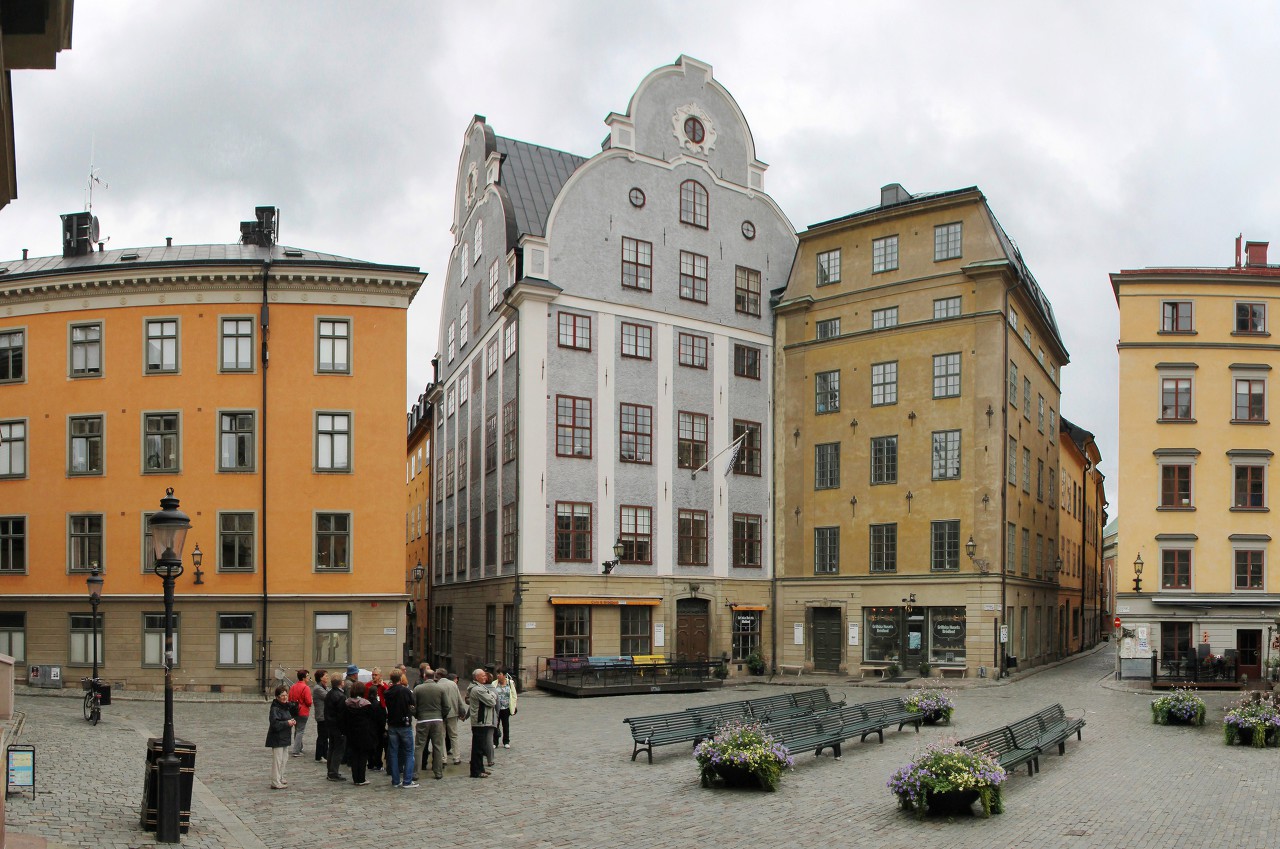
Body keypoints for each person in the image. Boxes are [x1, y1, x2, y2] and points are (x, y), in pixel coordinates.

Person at [412, 668, 449, 780]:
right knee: (437, 746)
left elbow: (413, 706)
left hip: (423, 719)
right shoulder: (440, 689)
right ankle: (438, 772)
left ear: (424, 676)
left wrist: (417, 715)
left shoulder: (418, 689)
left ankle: (416, 773)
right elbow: (446, 706)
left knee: (419, 746)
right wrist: (441, 715)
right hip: (437, 720)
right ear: (434, 677)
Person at [383, 670, 417, 788]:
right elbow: (413, 703)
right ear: (400, 678)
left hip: (392, 724)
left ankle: (395, 780)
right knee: (409, 752)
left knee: (393, 752)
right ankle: (407, 780)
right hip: (404, 723)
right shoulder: (405, 690)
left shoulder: (387, 692)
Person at [340, 681, 376, 786]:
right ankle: (362, 778)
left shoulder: (347, 703)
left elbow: (343, 719)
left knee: (354, 755)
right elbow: (372, 719)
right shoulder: (366, 704)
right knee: (363, 756)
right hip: (364, 733)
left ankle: (356, 778)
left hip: (351, 733)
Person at [466, 668, 497, 779]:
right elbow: (492, 701)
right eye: (483, 676)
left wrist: (491, 695)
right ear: (476, 677)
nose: (485, 677)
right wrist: (493, 695)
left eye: (485, 675)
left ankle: (480, 768)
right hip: (480, 721)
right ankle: (476, 771)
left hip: (482, 721)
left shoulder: (480, 687)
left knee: (480, 746)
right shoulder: (478, 689)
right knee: (478, 748)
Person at [265, 685, 297, 789]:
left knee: (284, 759)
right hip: (277, 738)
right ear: (277, 697)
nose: (285, 697)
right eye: (282, 695)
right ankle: (275, 781)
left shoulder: (285, 706)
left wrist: (291, 721)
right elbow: (275, 724)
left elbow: (290, 716)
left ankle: (280, 777)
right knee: (277, 761)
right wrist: (287, 723)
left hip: (284, 737)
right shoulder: (275, 708)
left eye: (286, 695)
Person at [436, 668, 466, 764]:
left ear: (438, 675)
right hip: (453, 713)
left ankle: (443, 758)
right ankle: (456, 757)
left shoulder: (437, 685)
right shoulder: (453, 684)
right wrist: (462, 712)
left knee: (442, 736)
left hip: (441, 714)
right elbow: (459, 700)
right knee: (454, 735)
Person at [324, 672, 348, 782]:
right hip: (338, 727)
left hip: (330, 725)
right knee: (338, 749)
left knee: (332, 748)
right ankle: (333, 772)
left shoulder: (329, 693)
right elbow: (342, 715)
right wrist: (344, 730)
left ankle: (330, 770)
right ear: (341, 683)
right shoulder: (341, 696)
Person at [365, 667, 389, 771]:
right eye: (373, 675)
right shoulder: (368, 686)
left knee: (380, 739)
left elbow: (388, 694)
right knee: (371, 738)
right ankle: (371, 762)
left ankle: (378, 762)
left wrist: (383, 686)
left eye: (376, 675)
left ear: (380, 676)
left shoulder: (383, 686)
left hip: (381, 713)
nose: (374, 677)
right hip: (370, 713)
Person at [287, 669, 313, 757]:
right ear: (304, 678)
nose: (309, 678)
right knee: (300, 731)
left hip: (293, 710)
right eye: (308, 676)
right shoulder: (306, 688)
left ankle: (299, 747)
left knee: (297, 729)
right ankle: (296, 750)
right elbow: (309, 702)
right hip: (303, 711)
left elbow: (289, 698)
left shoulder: (293, 686)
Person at [491, 670, 518, 749]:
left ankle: (506, 741)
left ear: (504, 675)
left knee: (505, 725)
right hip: (497, 708)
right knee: (496, 725)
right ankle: (495, 742)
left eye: (500, 674)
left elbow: (514, 695)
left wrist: (514, 705)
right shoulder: (494, 683)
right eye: (497, 674)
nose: (498, 675)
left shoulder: (510, 683)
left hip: (506, 707)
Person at [311, 669, 329, 762]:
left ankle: (325, 754)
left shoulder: (323, 686)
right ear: (321, 678)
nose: (327, 677)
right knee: (322, 736)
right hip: (322, 715)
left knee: (325, 736)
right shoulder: (318, 688)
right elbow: (328, 696)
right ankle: (319, 756)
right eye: (326, 676)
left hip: (325, 715)